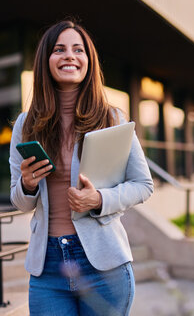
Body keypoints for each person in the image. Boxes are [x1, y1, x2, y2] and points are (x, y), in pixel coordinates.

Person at [9, 19, 154, 315]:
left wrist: (99, 199)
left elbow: (143, 184)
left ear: (89, 60)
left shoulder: (112, 118)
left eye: (78, 49)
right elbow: (19, 202)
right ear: (45, 60)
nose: (69, 56)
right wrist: (28, 184)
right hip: (48, 267)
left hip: (104, 266)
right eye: (59, 49)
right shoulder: (26, 124)